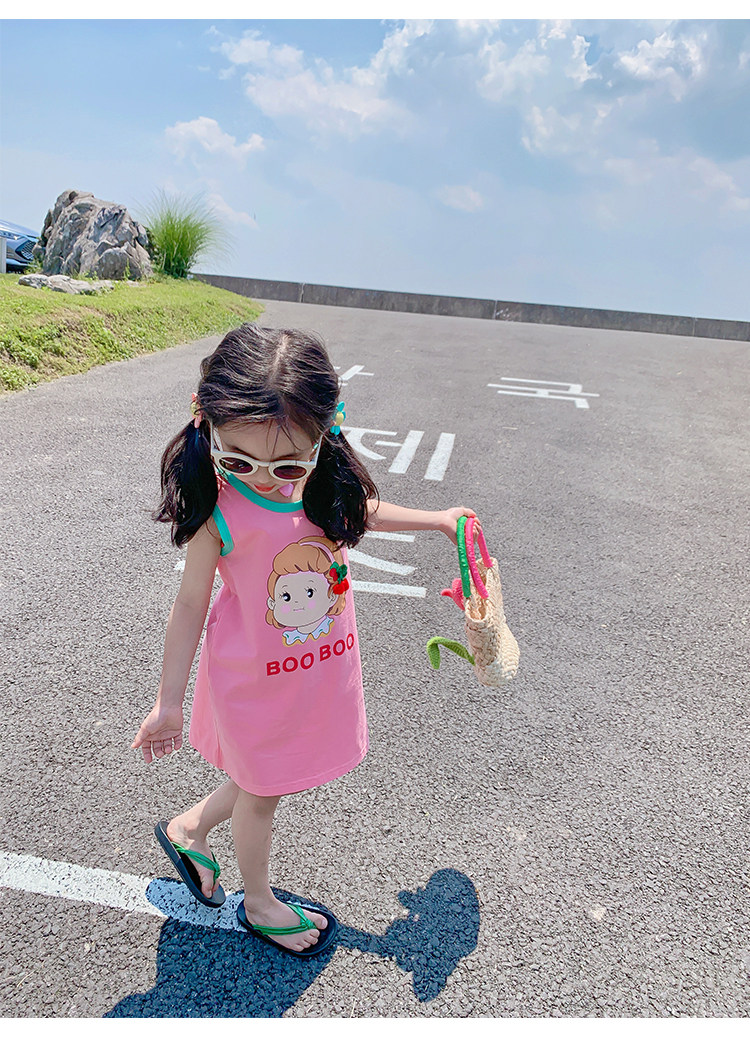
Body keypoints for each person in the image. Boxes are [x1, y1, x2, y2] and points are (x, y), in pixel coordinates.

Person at [132, 322, 477, 957]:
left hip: (316, 672)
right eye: (238, 460)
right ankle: (259, 903)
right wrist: (168, 702)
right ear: (206, 424)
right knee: (264, 790)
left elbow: (359, 512)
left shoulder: (319, 485)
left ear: (326, 434)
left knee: (267, 774)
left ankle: (190, 829)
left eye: (288, 463)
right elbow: (189, 605)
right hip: (253, 681)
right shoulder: (218, 511)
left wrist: (438, 521)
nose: (266, 479)